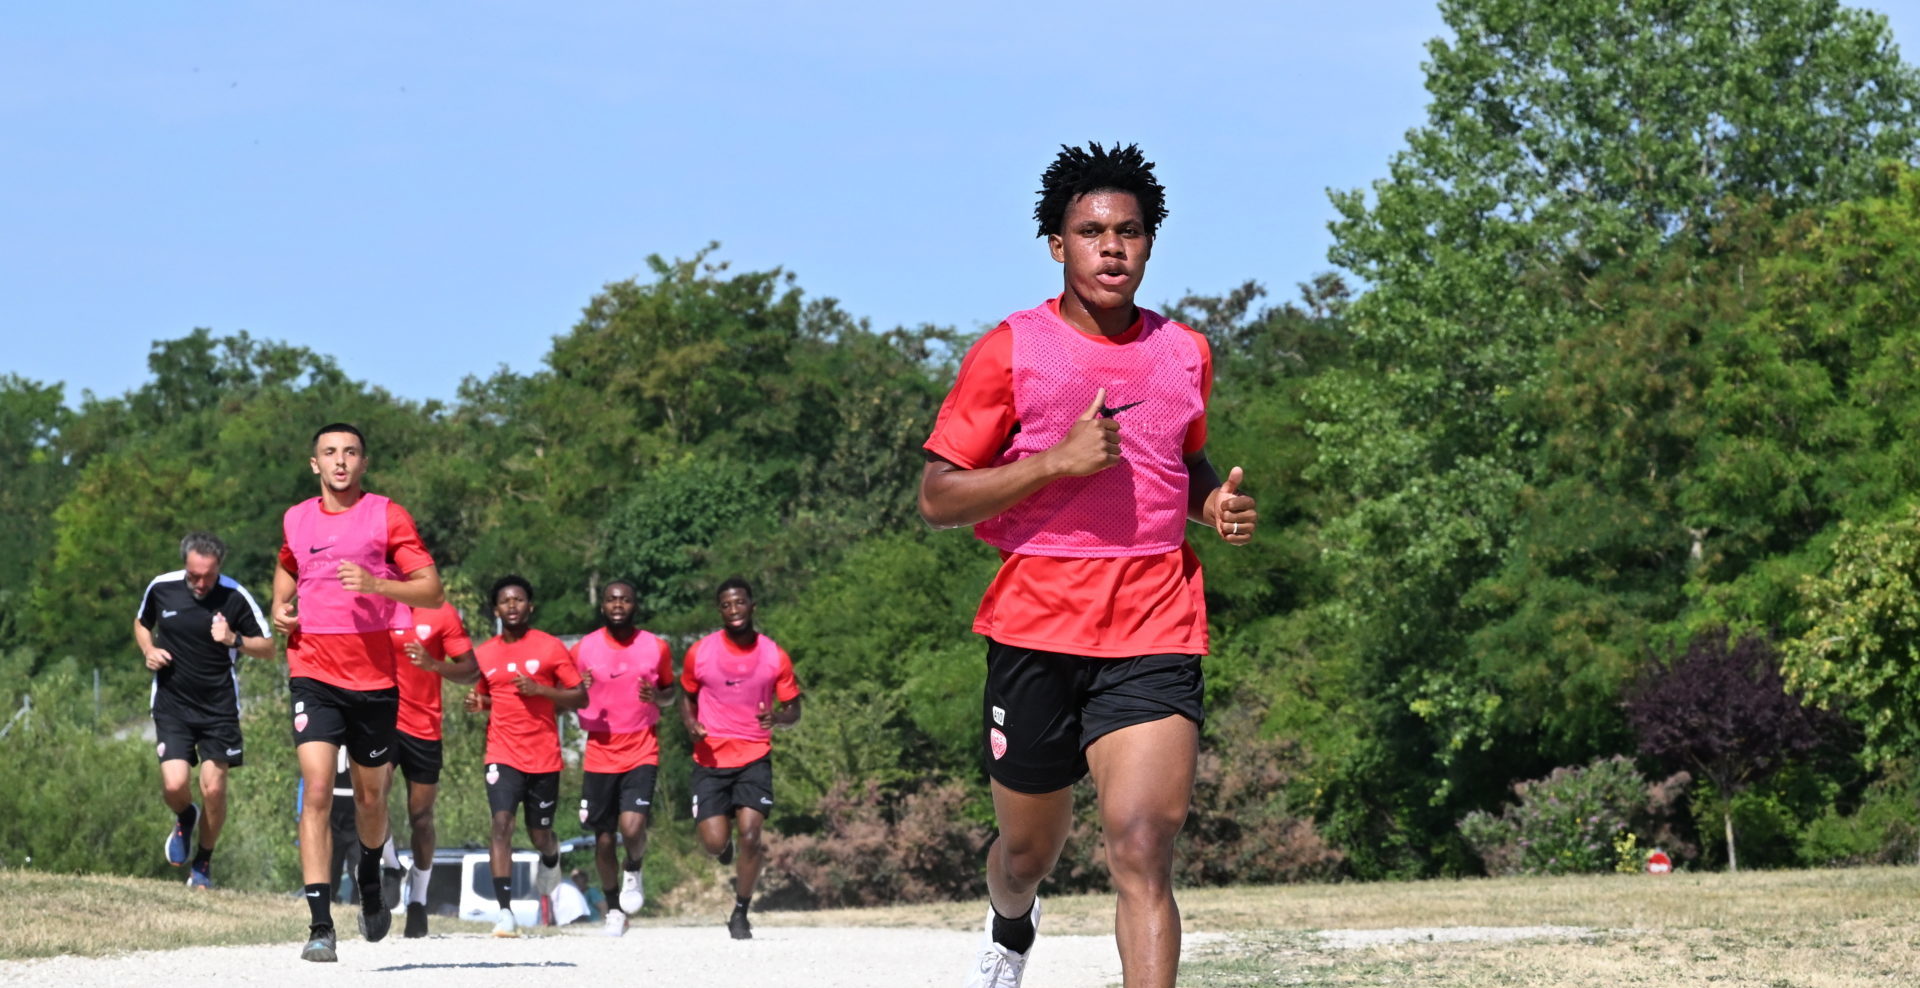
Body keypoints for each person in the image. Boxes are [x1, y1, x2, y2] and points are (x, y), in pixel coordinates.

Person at [916, 143, 1258, 988]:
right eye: (1091, 231)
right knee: (1029, 852)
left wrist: (1210, 504)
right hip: (1036, 623)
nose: (1112, 247)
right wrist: (1050, 464)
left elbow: (1185, 460)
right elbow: (937, 495)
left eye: (1130, 231)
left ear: (1150, 244)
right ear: (1057, 245)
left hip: (1155, 620)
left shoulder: (1185, 352)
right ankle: (1010, 918)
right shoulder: (1011, 350)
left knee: (1143, 844)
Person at [272, 423, 444, 962]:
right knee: (318, 789)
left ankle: (370, 872)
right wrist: (281, 606)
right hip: (312, 669)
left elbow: (431, 590)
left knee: (372, 798)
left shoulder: (386, 515)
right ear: (314, 464)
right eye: (330, 452)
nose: (340, 461)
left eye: (350, 452)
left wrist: (378, 585)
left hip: (373, 678)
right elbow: (288, 563)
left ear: (363, 464)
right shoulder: (296, 517)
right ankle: (320, 925)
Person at [133, 531, 272, 889]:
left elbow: (269, 647)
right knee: (176, 783)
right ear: (185, 566)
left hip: (218, 708)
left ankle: (204, 863)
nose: (199, 583)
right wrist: (148, 650)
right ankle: (184, 815)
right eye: (193, 575)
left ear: (218, 568)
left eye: (207, 576)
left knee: (213, 789)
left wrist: (234, 640)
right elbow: (141, 623)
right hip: (172, 704)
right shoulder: (162, 588)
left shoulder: (235, 596)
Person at [678, 577, 801, 940]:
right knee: (716, 843)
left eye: (740, 603)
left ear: (752, 607)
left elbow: (794, 709)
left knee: (751, 834)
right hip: (710, 759)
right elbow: (686, 696)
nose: (734, 610)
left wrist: (778, 717)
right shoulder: (700, 652)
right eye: (727, 605)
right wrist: (690, 723)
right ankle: (723, 845)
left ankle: (741, 911)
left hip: (754, 756)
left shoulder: (773, 655)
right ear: (721, 610)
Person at [466, 574, 585, 938]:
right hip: (501, 752)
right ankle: (505, 914)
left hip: (544, 756)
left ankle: (551, 857)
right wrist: (477, 702)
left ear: (530, 606)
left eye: (519, 600)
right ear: (496, 609)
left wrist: (539, 689)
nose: (512, 606)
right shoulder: (484, 653)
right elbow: (488, 697)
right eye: (505, 601)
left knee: (539, 833)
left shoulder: (550, 648)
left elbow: (580, 697)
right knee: (501, 823)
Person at [572, 579, 675, 938]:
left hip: (641, 747)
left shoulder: (656, 647)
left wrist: (656, 697)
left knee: (632, 828)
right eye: (612, 599)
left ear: (635, 605)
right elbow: (567, 695)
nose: (618, 605)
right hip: (600, 751)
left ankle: (634, 868)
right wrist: (577, 688)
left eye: (626, 600)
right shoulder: (584, 648)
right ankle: (614, 909)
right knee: (603, 840)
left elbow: (669, 693)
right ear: (603, 606)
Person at [392, 601, 479, 937]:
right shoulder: (374, 603)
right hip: (381, 721)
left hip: (423, 728)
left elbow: (470, 670)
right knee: (371, 797)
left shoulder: (441, 612)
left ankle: (418, 897)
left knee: (421, 818)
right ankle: (388, 866)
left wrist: (433, 664)